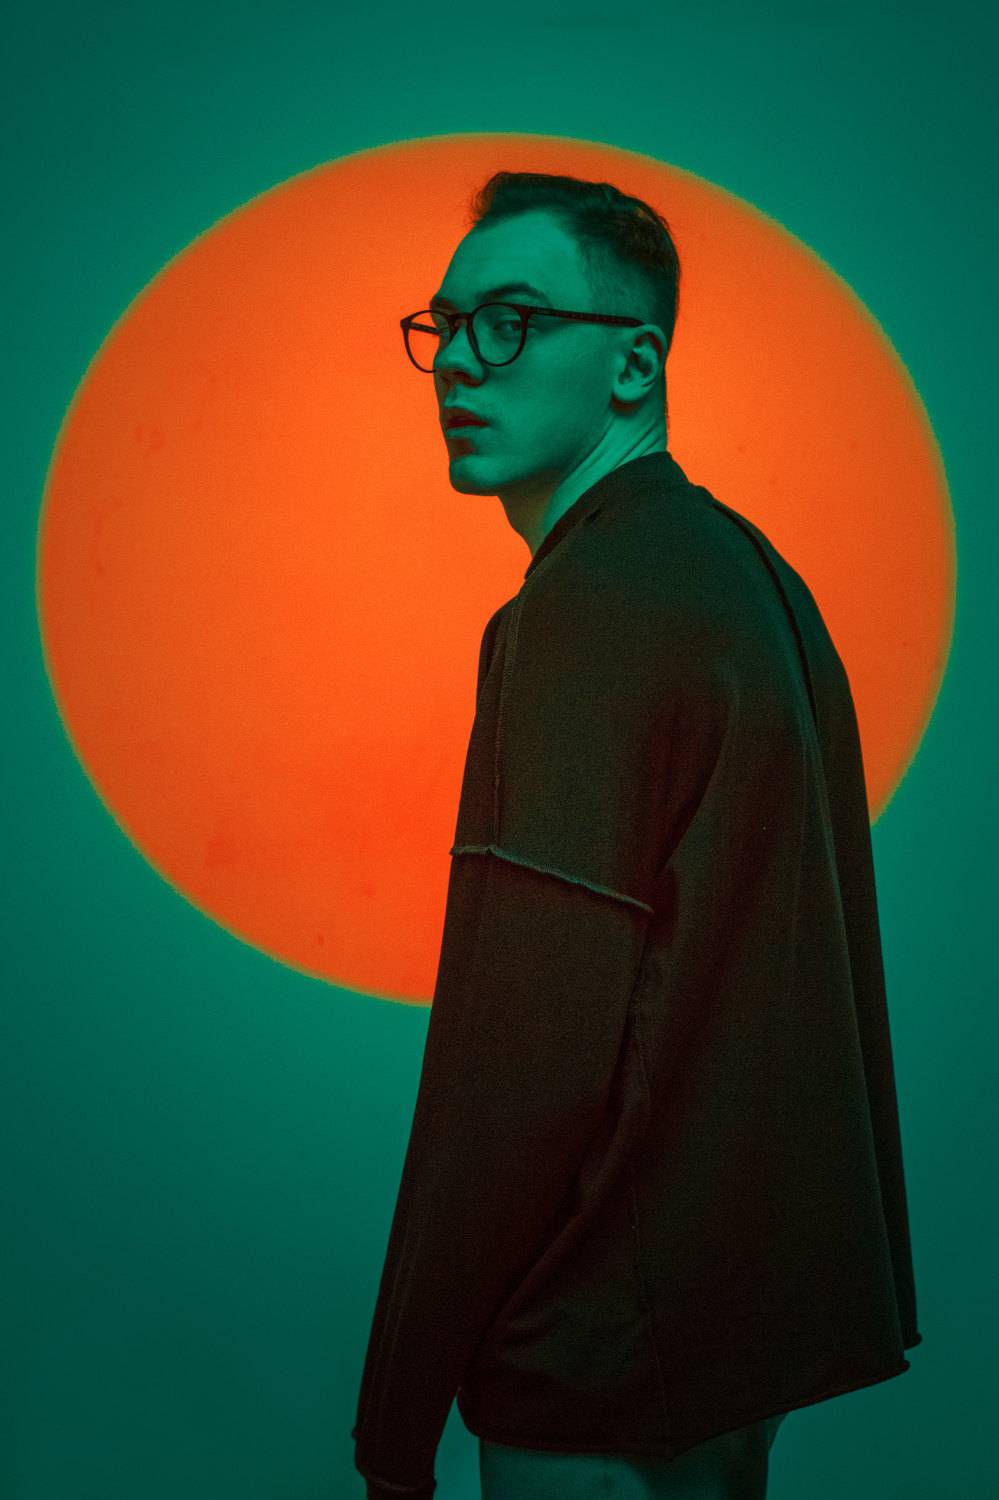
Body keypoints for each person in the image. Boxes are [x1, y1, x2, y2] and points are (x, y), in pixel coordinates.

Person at [351, 170, 921, 1499]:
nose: (460, 363)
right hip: (728, 1344)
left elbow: (517, 1053)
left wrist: (393, 1425)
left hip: (603, 1359)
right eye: (446, 325)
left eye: (512, 320)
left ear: (634, 363)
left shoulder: (586, 611)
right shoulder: (745, 573)